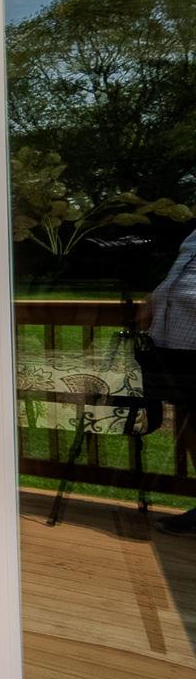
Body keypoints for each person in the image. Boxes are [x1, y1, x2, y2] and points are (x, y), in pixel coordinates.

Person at [141, 226, 196, 534]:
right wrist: (154, 297)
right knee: (189, 420)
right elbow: (180, 279)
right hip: (178, 344)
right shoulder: (192, 236)